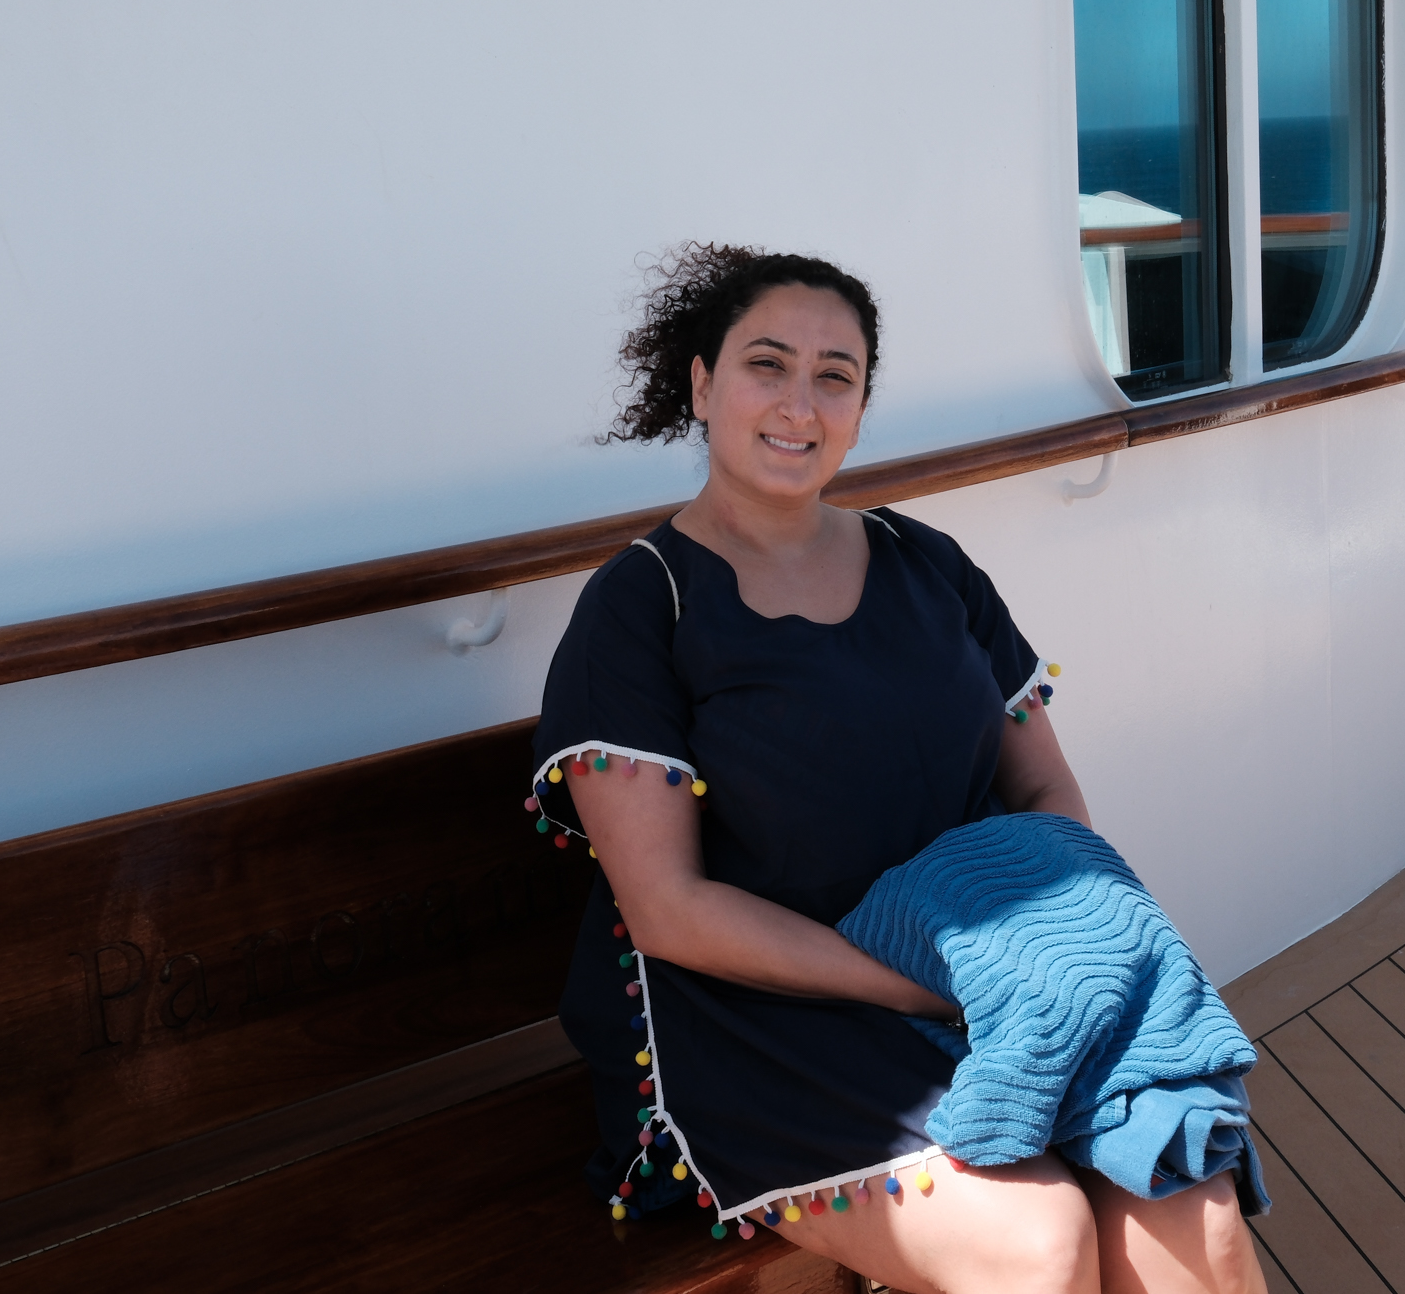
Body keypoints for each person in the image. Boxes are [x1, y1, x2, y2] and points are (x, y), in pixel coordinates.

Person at [530, 244, 1268, 1294]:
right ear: (702, 382)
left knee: (1186, 1201)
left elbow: (1045, 795)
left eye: (836, 374)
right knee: (1040, 1240)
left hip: (987, 981)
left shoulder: (928, 562)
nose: (801, 401)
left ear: (863, 401)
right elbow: (668, 910)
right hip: (760, 1023)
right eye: (767, 364)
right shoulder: (644, 606)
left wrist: (1050, 959)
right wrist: (923, 985)